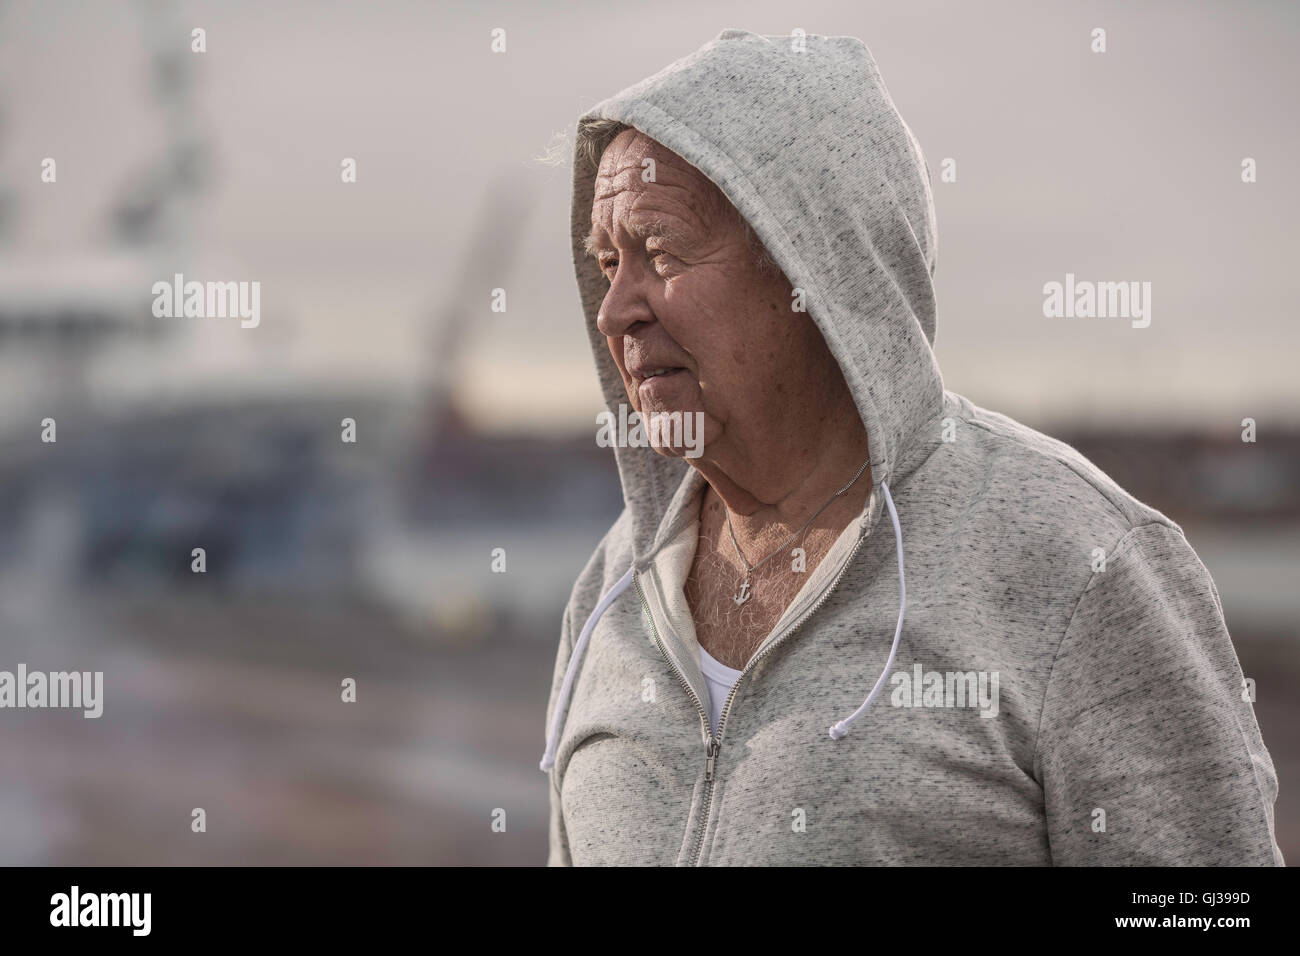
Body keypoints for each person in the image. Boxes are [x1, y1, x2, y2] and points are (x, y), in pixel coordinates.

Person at [539, 28, 1284, 866]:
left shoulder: (1082, 565)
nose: (615, 311)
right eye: (607, 264)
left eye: (662, 252)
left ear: (814, 264)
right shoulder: (613, 590)